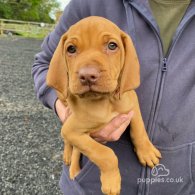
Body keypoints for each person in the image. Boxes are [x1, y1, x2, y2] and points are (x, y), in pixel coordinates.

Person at [32, 0, 195, 194]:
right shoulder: (89, 3)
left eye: (111, 46)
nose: (88, 72)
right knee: (73, 136)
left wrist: (140, 140)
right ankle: (72, 153)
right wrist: (62, 107)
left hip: (179, 184)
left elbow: (130, 98)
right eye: (72, 49)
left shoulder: (125, 91)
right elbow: (44, 64)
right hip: (91, 186)